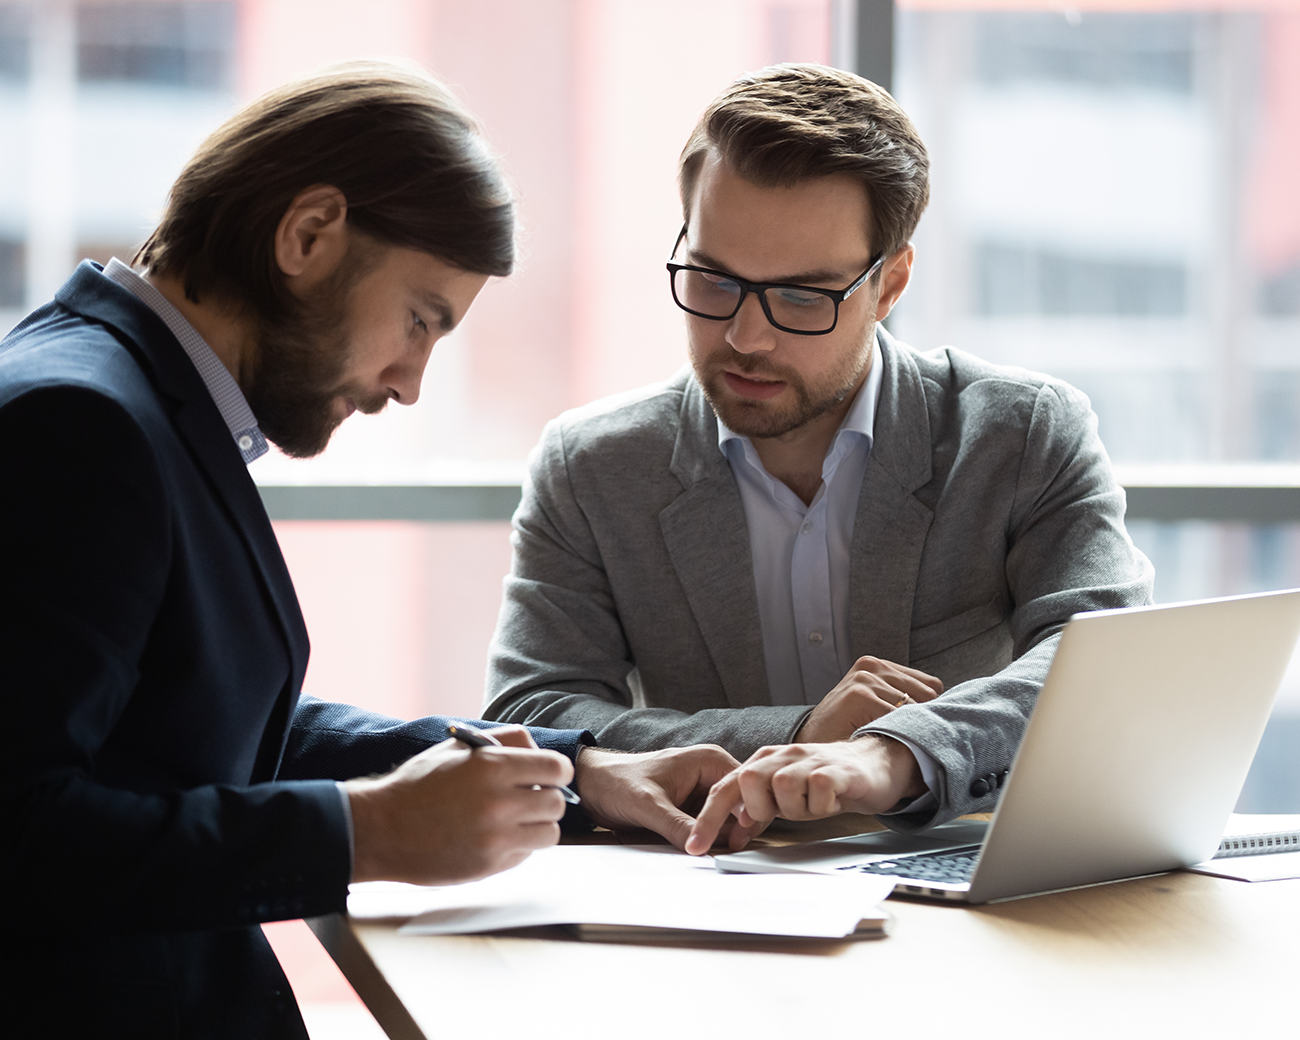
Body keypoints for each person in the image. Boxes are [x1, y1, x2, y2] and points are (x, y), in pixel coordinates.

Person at [0, 62, 739, 1038]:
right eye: (420, 319)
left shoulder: (131, 400)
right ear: (308, 234)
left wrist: (573, 773)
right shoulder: (82, 424)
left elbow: (189, 724)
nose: (410, 381)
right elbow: (20, 828)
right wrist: (364, 831)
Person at [483, 63, 1153, 843]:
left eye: (802, 297)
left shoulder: (1020, 435)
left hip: (969, 884)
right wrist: (800, 732)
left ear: (890, 284)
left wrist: (893, 757)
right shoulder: (593, 468)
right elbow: (536, 714)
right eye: (712, 279)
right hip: (709, 897)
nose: (744, 336)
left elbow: (1101, 662)